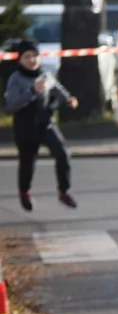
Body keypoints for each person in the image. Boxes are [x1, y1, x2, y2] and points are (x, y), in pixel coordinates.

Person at [4, 39, 78, 212]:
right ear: (20, 59)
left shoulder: (45, 75)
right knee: (28, 163)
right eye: (27, 56)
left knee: (63, 153)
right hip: (25, 126)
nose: (32, 60)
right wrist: (32, 92)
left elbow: (59, 90)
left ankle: (64, 191)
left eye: (35, 56)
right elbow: (10, 105)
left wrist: (69, 99)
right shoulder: (15, 79)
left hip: (46, 123)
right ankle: (25, 193)